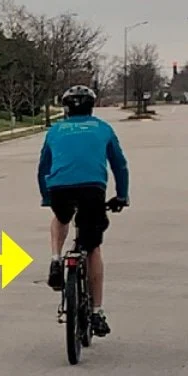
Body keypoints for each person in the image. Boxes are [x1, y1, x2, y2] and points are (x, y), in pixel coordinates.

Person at [37, 85, 130, 336]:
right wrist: (122, 196)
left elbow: (43, 167)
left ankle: (55, 259)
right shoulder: (103, 128)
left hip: (60, 187)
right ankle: (97, 312)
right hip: (92, 188)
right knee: (93, 248)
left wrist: (46, 197)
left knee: (60, 216)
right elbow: (120, 165)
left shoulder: (55, 130)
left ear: (66, 109)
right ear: (92, 107)